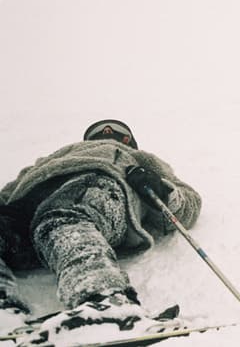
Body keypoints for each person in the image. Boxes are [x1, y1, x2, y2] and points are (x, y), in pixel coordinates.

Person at [0, 119, 202, 337]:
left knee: (61, 221)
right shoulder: (52, 159)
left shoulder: (136, 158)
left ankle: (105, 298)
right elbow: (8, 193)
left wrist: (160, 189)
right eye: (100, 131)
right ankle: (5, 313)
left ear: (129, 142)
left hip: (94, 184)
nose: (107, 132)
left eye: (117, 132)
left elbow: (189, 205)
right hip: (27, 205)